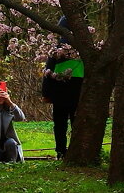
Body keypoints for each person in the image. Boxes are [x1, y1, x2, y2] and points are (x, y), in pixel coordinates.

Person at [42, 21, 84, 159]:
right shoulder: (82, 49)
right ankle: (77, 150)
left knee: (60, 124)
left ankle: (61, 151)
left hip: (59, 93)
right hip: (78, 92)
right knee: (76, 123)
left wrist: (46, 94)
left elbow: (48, 72)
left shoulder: (56, 50)